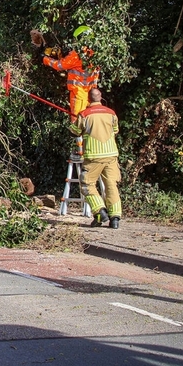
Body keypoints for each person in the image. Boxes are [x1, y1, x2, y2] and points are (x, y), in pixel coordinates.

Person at [70, 87, 121, 229]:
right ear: (101, 97)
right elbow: (115, 131)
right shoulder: (111, 113)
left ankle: (100, 211)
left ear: (88, 98)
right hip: (111, 155)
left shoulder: (84, 114)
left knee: (87, 184)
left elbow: (74, 132)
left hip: (93, 156)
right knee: (111, 185)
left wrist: (74, 122)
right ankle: (115, 218)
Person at [39, 26, 100, 122]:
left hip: (79, 93)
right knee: (90, 122)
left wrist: (44, 59)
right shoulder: (97, 54)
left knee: (77, 123)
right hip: (91, 94)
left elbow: (60, 65)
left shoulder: (77, 54)